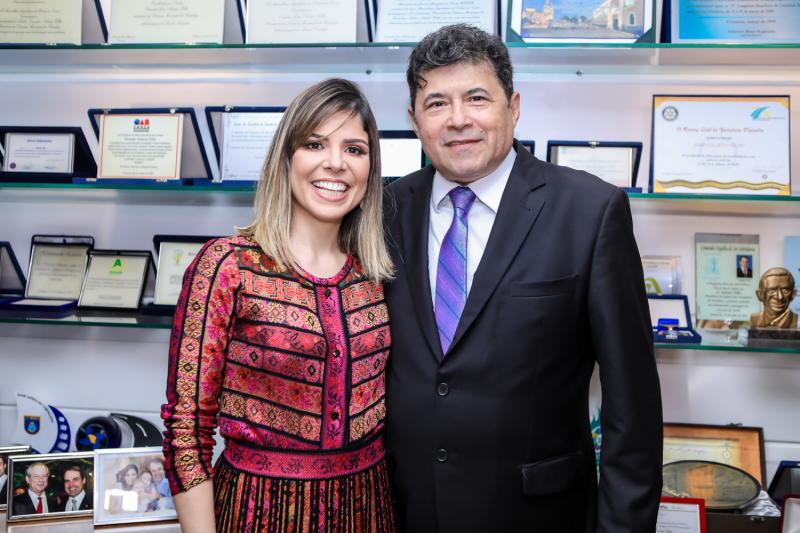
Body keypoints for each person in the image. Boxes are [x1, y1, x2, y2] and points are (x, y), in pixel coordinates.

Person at [383, 24, 663, 532]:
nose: (458, 119)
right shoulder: (385, 211)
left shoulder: (590, 211)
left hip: (539, 515)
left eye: (477, 98)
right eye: (437, 103)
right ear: (414, 120)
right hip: (406, 511)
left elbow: (633, 405)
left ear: (513, 107)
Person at [161, 78, 395, 533]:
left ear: (370, 169)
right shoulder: (227, 266)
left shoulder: (375, 274)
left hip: (369, 510)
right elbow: (186, 432)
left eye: (354, 149)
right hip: (256, 512)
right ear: (285, 158)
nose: (336, 163)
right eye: (315, 144)